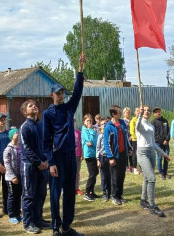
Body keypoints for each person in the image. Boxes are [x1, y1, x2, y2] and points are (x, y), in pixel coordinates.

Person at [42, 53, 86, 236]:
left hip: (70, 155)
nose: (61, 95)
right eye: (58, 93)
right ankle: (55, 227)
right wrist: (51, 162)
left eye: (62, 93)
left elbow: (77, 92)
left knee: (70, 192)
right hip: (57, 157)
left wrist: (80, 70)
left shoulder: (69, 108)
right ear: (52, 95)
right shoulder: (47, 114)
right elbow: (45, 141)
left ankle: (67, 226)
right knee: (55, 193)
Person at [136, 106, 171, 217]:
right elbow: (137, 127)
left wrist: (164, 154)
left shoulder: (151, 125)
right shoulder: (140, 123)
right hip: (142, 153)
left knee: (147, 178)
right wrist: (140, 115)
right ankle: (152, 206)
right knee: (152, 178)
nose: (147, 112)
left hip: (151, 152)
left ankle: (143, 200)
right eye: (144, 110)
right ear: (141, 112)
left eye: (148, 110)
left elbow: (153, 143)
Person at [20, 99, 49, 234]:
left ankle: (38, 219)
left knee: (41, 194)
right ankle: (28, 223)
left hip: (43, 166)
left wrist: (47, 161)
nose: (34, 106)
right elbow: (26, 149)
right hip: (30, 166)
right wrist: (39, 163)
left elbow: (47, 144)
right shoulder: (25, 127)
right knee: (29, 196)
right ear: (26, 112)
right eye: (30, 106)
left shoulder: (41, 125)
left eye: (34, 105)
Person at [103, 104, 132, 206]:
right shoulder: (108, 127)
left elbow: (127, 136)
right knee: (114, 177)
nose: (121, 114)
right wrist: (110, 157)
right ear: (113, 114)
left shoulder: (123, 123)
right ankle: (114, 196)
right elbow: (106, 143)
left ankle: (120, 195)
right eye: (119, 113)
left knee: (121, 176)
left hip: (123, 154)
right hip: (114, 155)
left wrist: (129, 148)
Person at [3, 128, 23, 225]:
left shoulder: (21, 147)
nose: (18, 133)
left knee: (18, 195)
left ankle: (18, 213)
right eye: (16, 132)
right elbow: (7, 164)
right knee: (12, 195)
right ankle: (11, 215)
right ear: (11, 136)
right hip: (11, 177)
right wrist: (13, 177)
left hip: (21, 175)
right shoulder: (8, 149)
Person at [81, 114, 99, 202]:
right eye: (87, 121)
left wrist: (92, 133)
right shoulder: (84, 131)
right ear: (84, 122)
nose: (89, 122)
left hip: (94, 154)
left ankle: (92, 191)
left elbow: (96, 141)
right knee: (92, 173)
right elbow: (90, 141)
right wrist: (91, 131)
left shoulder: (93, 130)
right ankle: (87, 193)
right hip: (89, 155)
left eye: (91, 121)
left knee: (96, 172)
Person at [152, 107, 171, 180]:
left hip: (166, 143)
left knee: (166, 157)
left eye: (159, 111)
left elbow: (168, 132)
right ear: (154, 114)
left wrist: (166, 140)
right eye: (156, 112)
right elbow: (154, 133)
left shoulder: (165, 121)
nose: (158, 113)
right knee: (159, 157)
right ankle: (161, 173)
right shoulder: (153, 122)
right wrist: (161, 140)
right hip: (158, 143)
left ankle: (165, 172)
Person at [95, 118, 111, 202]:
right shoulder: (100, 136)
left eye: (105, 123)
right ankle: (104, 193)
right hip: (102, 157)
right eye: (102, 124)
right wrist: (98, 159)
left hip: (110, 157)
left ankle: (110, 192)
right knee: (104, 176)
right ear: (100, 126)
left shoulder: (110, 135)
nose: (104, 125)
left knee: (110, 176)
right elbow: (98, 148)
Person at [128, 107, 140, 175]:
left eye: (139, 111)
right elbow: (132, 131)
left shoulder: (142, 120)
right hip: (135, 139)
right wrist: (136, 137)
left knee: (141, 153)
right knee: (134, 153)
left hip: (141, 140)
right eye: (137, 111)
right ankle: (134, 167)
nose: (138, 112)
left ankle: (141, 167)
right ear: (135, 112)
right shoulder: (133, 120)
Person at [74, 118, 83, 196]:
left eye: (74, 122)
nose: (73, 123)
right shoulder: (66, 132)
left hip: (78, 155)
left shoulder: (78, 132)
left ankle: (76, 188)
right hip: (69, 156)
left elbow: (81, 144)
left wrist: (82, 154)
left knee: (77, 172)